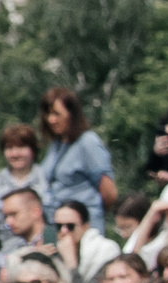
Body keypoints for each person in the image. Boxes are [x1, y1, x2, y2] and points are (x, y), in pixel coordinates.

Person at [38, 87, 117, 231]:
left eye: (57, 114)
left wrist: (91, 215)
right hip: (56, 226)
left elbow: (109, 193)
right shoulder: (56, 145)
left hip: (82, 226)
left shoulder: (88, 142)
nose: (51, 120)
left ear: (71, 114)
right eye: (48, 114)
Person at [0, 124, 48, 222]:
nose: (15, 154)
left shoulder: (46, 177)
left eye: (21, 146)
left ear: (33, 149)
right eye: (9, 148)